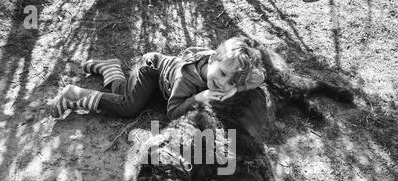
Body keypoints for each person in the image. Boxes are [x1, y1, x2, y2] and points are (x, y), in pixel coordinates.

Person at [49, 36, 265, 120]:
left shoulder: (225, 70)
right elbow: (172, 113)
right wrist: (198, 99)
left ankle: (110, 68)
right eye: (223, 75)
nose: (222, 83)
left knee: (123, 93)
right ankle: (74, 94)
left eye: (231, 81)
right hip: (150, 70)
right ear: (213, 60)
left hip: (162, 82)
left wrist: (235, 88)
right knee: (128, 106)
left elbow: (259, 77)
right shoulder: (187, 80)